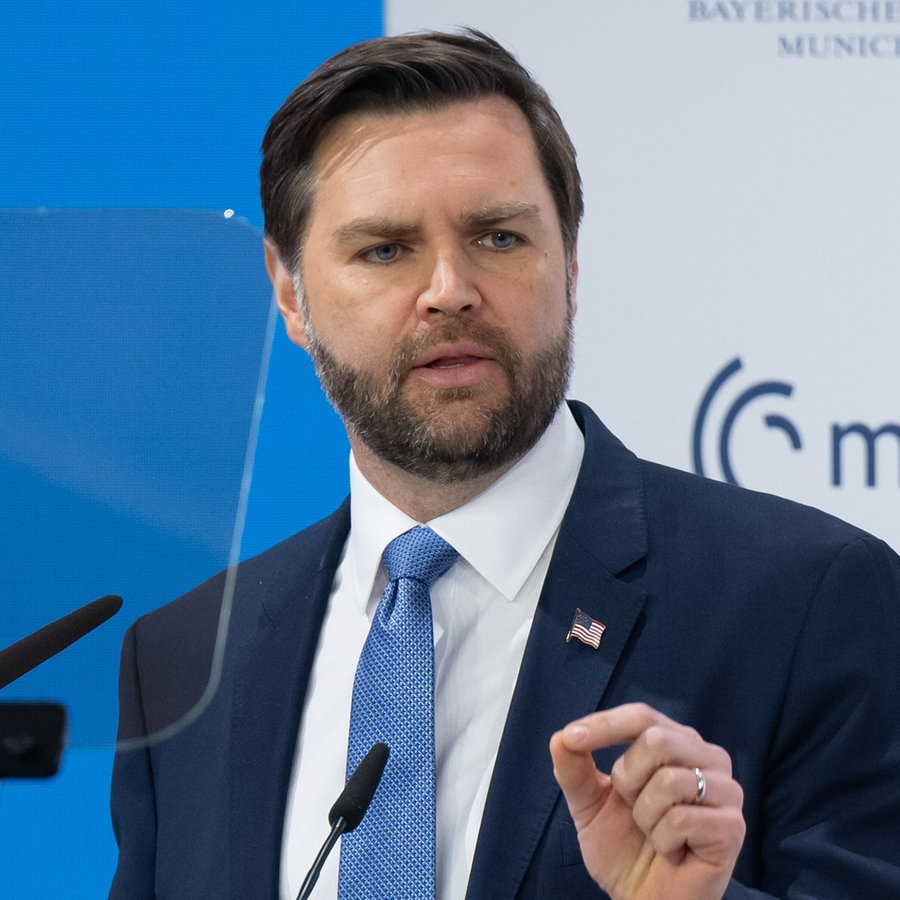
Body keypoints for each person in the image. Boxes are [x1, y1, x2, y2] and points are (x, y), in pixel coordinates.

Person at [109, 29, 900, 900]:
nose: (449, 287)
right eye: (385, 250)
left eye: (497, 238)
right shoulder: (183, 659)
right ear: (290, 292)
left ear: (570, 264)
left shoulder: (805, 601)